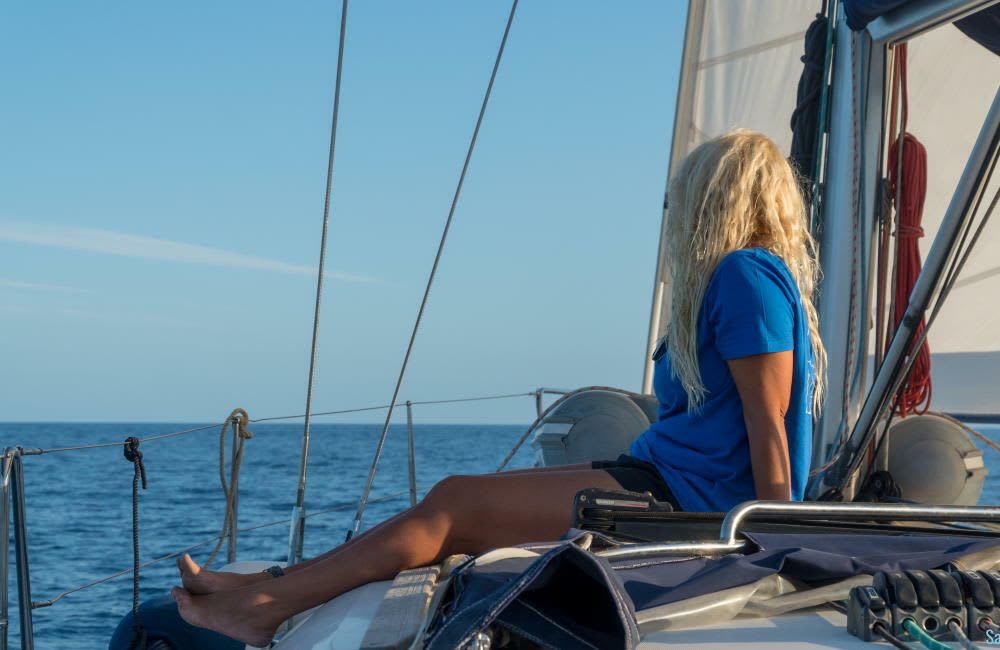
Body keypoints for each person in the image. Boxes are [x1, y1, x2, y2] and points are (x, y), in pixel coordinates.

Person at [171, 129, 826, 646]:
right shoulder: (744, 280)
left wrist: (771, 548)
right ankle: (276, 587)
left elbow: (768, 421)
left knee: (454, 508)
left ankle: (267, 604)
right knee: (451, 499)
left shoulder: (745, 275)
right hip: (662, 475)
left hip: (691, 497)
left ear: (714, 198)